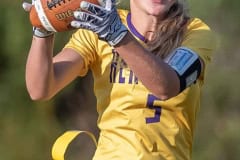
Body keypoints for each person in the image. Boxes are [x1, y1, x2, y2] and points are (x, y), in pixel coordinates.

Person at [23, 0, 216, 159]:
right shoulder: (100, 27)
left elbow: (165, 86)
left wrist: (117, 36)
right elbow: (40, 89)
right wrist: (43, 28)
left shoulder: (195, 33)